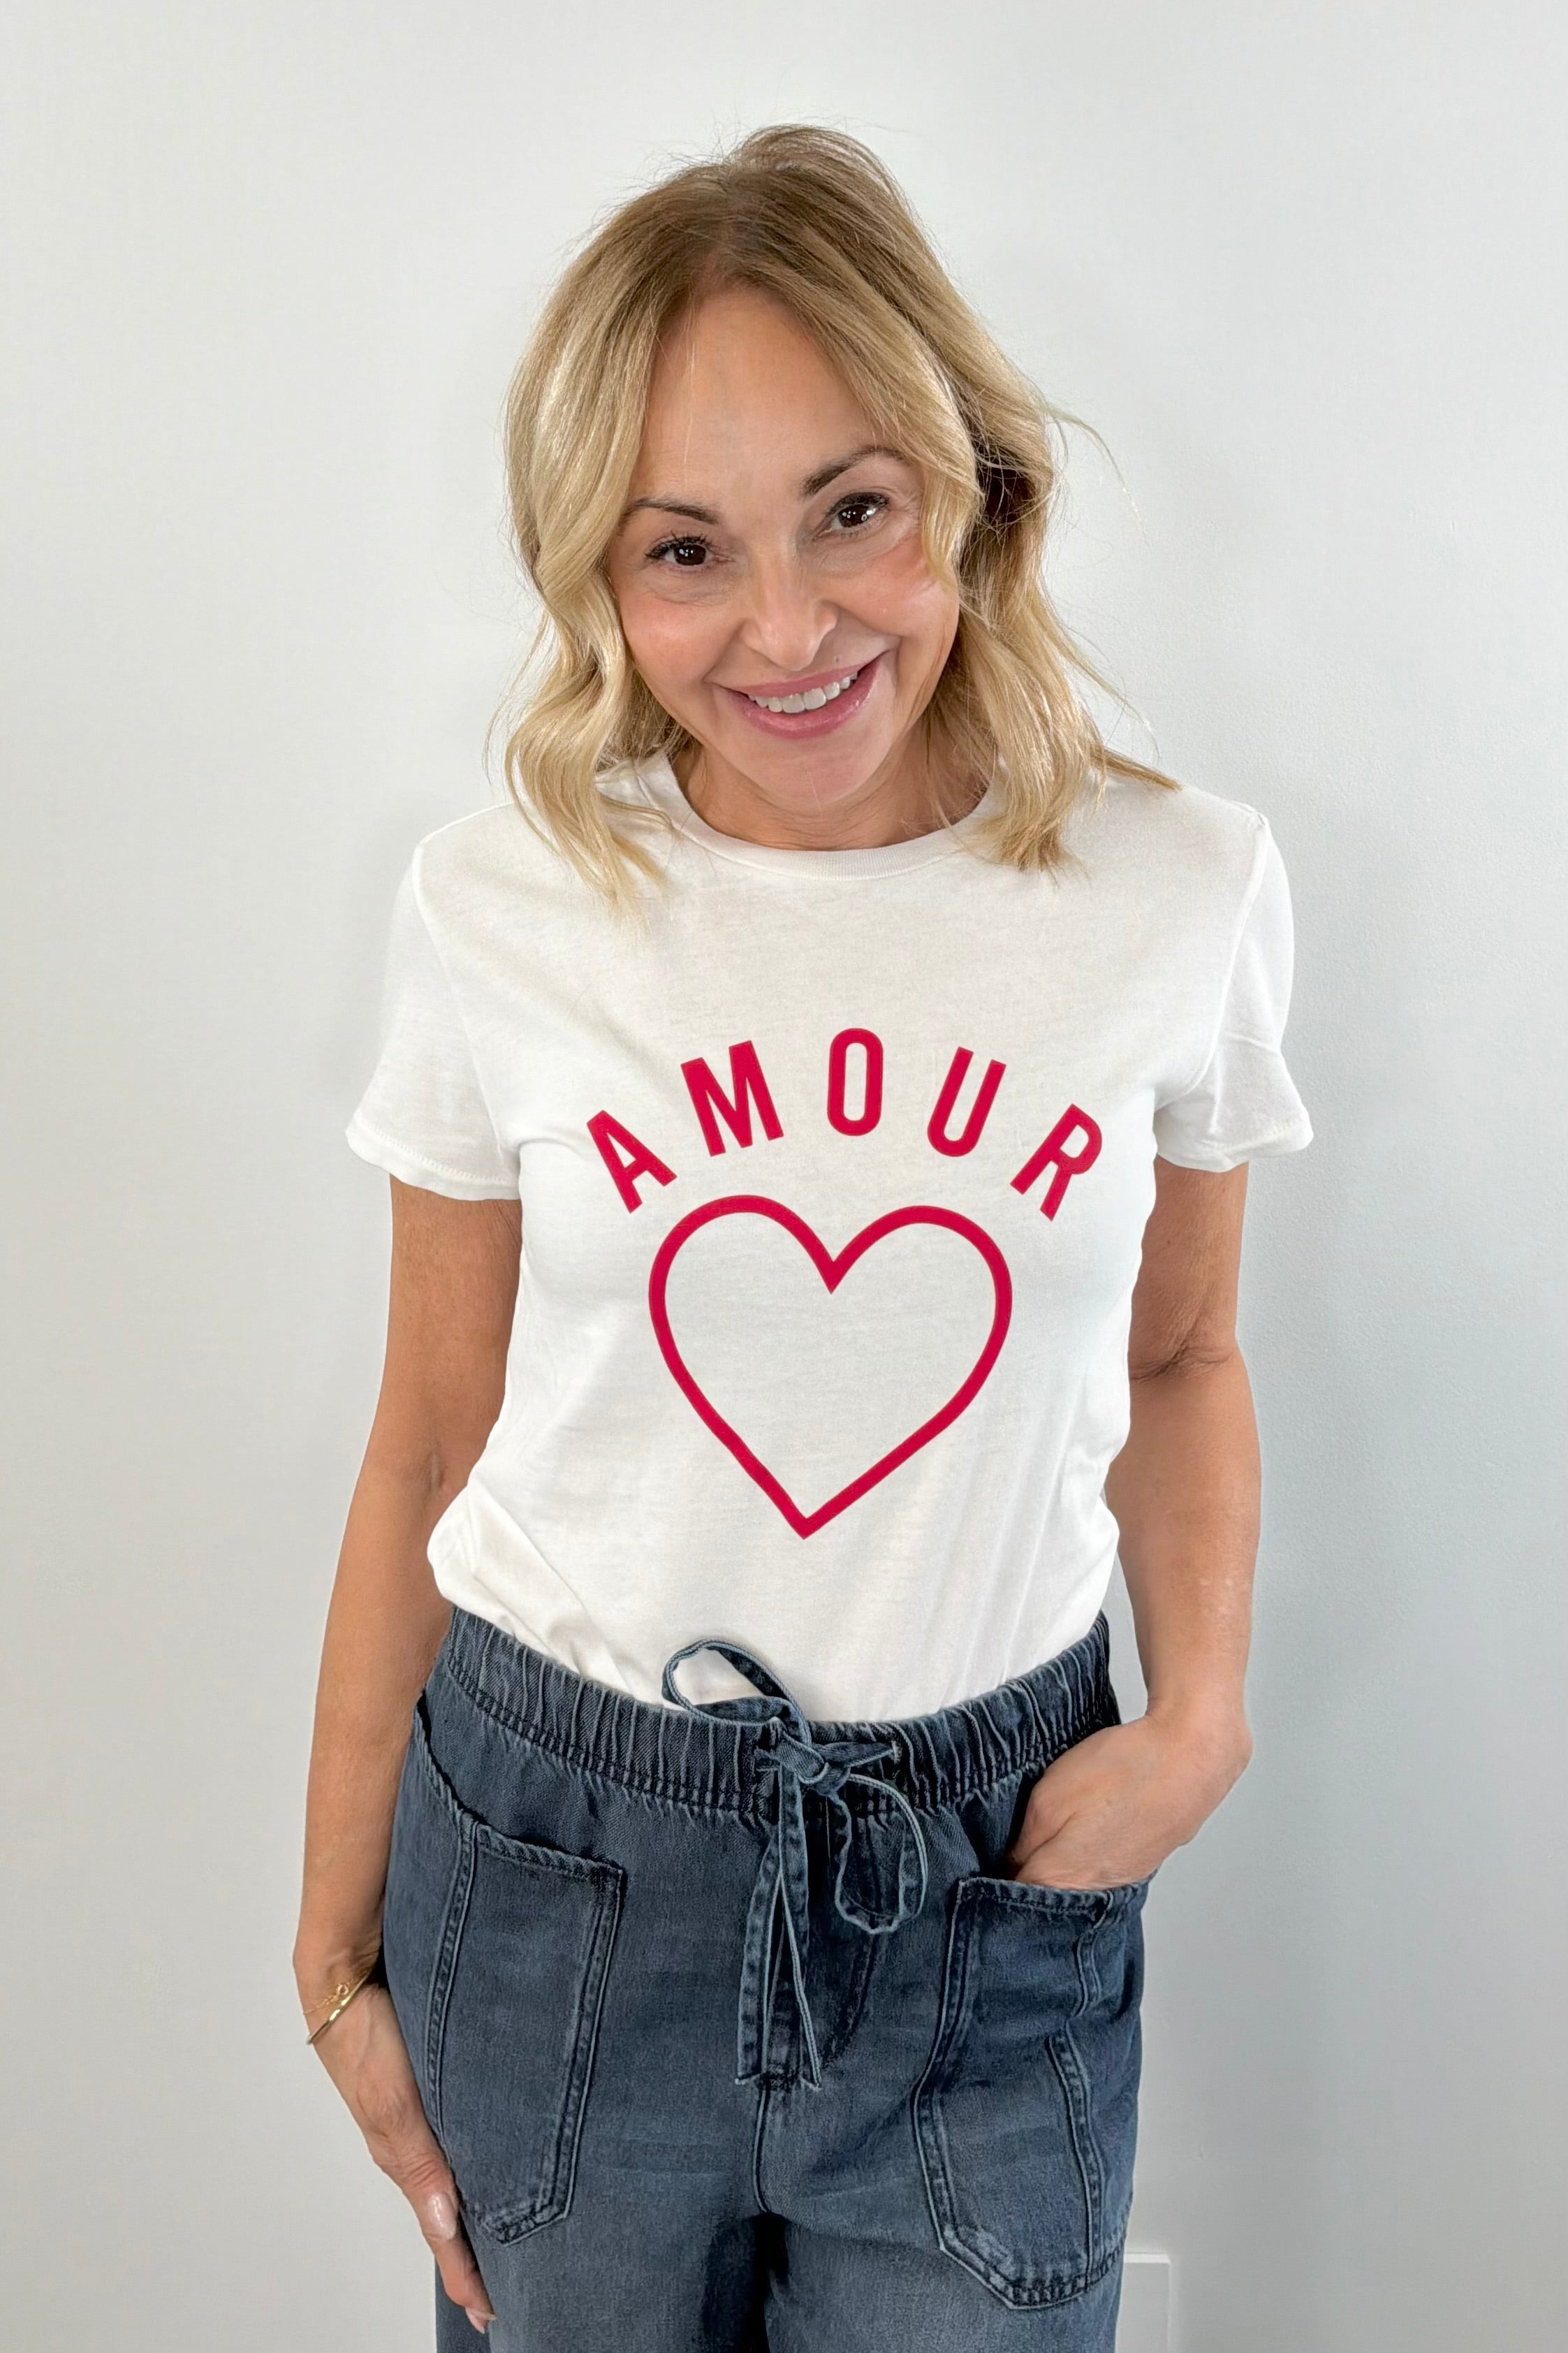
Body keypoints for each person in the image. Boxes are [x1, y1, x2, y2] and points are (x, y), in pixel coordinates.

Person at [292, 124, 1312, 2352]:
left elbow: (1180, 1357)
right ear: (601, 578)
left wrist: (1203, 1719)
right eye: (687, 550)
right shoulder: (499, 908)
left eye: (853, 511)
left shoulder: (1180, 893)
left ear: (972, 487)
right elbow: (431, 1432)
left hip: (986, 1873)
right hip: (555, 1872)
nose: (787, 627)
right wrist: (329, 1953)